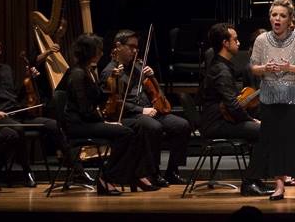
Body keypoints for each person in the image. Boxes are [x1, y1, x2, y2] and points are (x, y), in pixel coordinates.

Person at [57, 33, 160, 194]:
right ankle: (107, 178)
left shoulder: (86, 70)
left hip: (87, 121)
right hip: (78, 125)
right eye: (98, 50)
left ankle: (132, 175)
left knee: (136, 129)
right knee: (125, 133)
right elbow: (85, 110)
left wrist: (115, 81)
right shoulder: (77, 74)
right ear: (90, 51)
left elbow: (98, 97)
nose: (102, 53)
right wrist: (105, 123)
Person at [0, 32, 66, 187]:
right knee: (18, 130)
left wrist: (28, 79)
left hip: (18, 112)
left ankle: (74, 168)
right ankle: (27, 171)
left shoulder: (6, 69)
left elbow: (16, 95)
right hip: (0, 117)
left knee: (54, 124)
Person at [245, 0, 295, 200]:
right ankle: (279, 186)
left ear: (289, 19)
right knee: (274, 142)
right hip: (270, 98)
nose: (277, 19)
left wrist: (289, 67)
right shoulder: (261, 40)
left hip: (294, 97)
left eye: (282, 16)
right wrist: (264, 68)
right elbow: (253, 68)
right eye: (274, 15)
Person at [101, 29, 192, 186]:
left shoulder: (138, 67)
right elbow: (114, 102)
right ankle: (152, 172)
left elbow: (156, 93)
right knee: (153, 127)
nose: (135, 51)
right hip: (130, 114)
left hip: (151, 110)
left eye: (137, 47)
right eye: (131, 47)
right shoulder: (110, 72)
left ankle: (172, 171)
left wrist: (152, 77)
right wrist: (140, 110)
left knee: (182, 125)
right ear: (118, 46)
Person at [200, 23, 268, 196]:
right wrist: (251, 120)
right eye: (235, 40)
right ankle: (250, 182)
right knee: (264, 130)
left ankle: (255, 180)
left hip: (222, 119)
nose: (238, 43)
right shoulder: (221, 70)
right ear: (225, 43)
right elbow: (232, 105)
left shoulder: (222, 65)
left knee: (261, 130)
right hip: (216, 123)